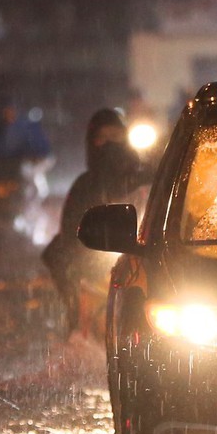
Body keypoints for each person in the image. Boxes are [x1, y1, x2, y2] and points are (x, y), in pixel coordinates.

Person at [45, 108, 151, 336]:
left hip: (144, 258)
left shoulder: (148, 177)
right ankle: (75, 322)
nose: (111, 144)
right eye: (104, 138)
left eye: (116, 137)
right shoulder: (84, 186)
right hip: (97, 264)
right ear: (93, 143)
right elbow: (71, 233)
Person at [0, 104, 53, 247]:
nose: (9, 116)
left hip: (22, 174)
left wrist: (35, 166)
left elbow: (44, 155)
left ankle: (33, 226)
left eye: (12, 112)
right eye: (5, 112)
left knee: (36, 192)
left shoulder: (28, 129)